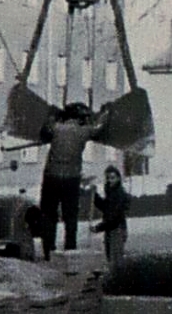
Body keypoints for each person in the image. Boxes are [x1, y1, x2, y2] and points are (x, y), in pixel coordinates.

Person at [38, 101, 108, 258]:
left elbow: (44, 131)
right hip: (71, 179)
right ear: (81, 118)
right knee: (70, 217)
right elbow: (100, 129)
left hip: (51, 177)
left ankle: (48, 250)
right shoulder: (83, 131)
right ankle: (70, 249)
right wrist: (105, 113)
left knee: (49, 214)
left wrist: (52, 116)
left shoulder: (56, 128)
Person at [91, 164, 130, 270]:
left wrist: (98, 227)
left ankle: (118, 282)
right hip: (110, 229)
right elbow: (106, 208)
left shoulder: (119, 194)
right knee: (111, 258)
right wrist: (94, 196)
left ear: (118, 178)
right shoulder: (111, 193)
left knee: (115, 260)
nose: (110, 180)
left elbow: (114, 217)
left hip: (116, 229)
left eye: (112, 178)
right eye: (108, 178)